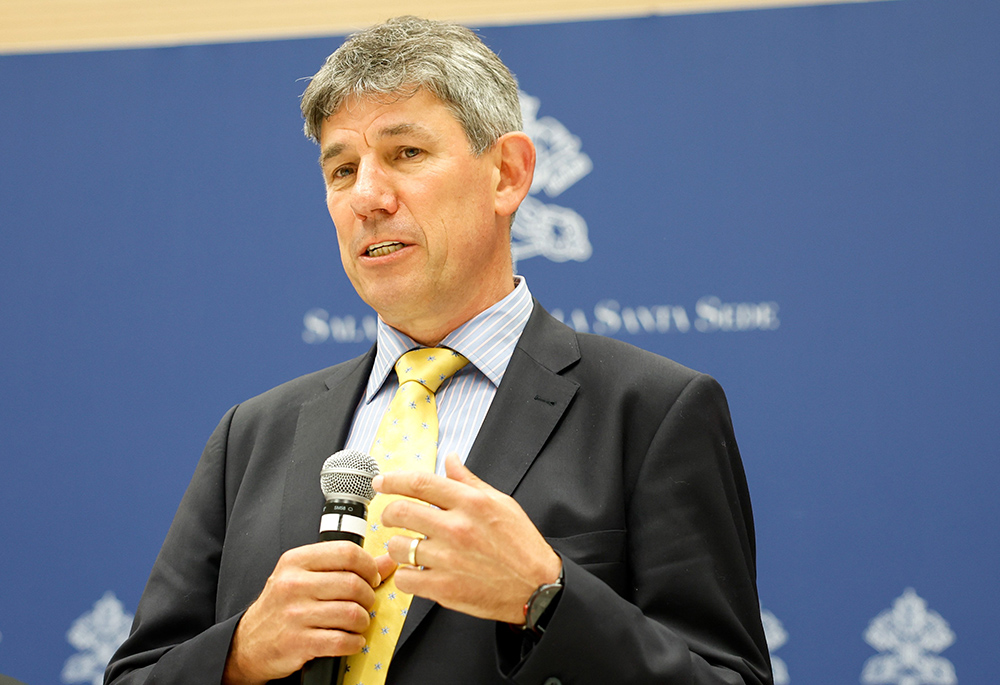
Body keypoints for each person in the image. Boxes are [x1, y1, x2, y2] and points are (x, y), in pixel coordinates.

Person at [106, 16, 772, 685]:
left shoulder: (652, 411)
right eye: (342, 169)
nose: (366, 196)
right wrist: (241, 653)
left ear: (507, 174)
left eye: (406, 154)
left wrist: (546, 598)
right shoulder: (253, 435)